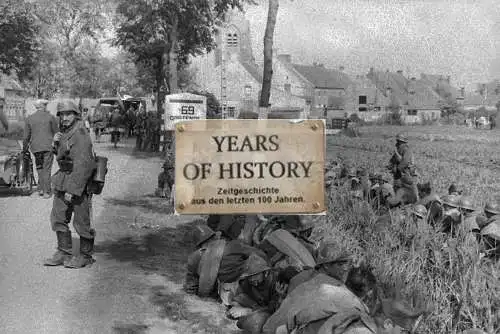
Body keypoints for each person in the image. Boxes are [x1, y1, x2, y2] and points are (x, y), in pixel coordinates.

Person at [44, 101, 97, 269]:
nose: (65, 117)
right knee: (58, 217)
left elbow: (84, 166)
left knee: (81, 222)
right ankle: (63, 252)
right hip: (63, 178)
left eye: (69, 114)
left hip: (78, 182)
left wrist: (72, 191)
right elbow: (62, 156)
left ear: (76, 115)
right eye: (62, 114)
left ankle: (85, 256)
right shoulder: (65, 132)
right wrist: (55, 144)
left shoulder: (80, 133)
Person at [23, 99, 59, 198]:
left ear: (36, 107)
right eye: (45, 105)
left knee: (39, 167)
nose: (46, 107)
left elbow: (26, 137)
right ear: (43, 106)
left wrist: (24, 149)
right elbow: (57, 132)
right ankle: (46, 191)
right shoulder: (51, 117)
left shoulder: (29, 118)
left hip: (35, 148)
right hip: (48, 147)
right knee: (46, 169)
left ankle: (41, 189)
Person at [387, 134, 419, 206]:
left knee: (413, 194)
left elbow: (405, 162)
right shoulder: (398, 150)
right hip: (399, 176)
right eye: (397, 141)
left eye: (399, 142)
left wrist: (397, 168)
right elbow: (392, 161)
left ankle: (414, 206)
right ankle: (399, 206)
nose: (397, 143)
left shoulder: (407, 150)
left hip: (407, 175)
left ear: (403, 142)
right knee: (398, 191)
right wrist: (390, 166)